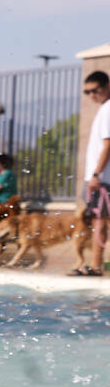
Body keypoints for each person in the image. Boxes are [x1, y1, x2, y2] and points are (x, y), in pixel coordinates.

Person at [74, 70, 110, 276]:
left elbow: (107, 145)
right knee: (99, 220)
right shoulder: (104, 108)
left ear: (107, 86)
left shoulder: (108, 109)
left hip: (101, 178)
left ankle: (96, 266)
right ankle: (95, 265)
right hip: (99, 177)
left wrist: (96, 175)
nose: (91, 96)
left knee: (100, 221)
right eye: (86, 92)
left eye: (94, 91)